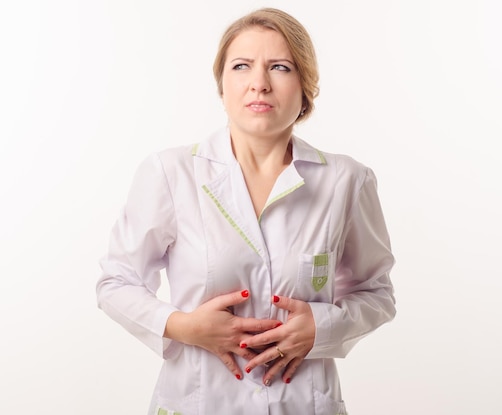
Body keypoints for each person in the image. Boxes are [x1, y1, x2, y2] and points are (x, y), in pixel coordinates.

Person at [96, 7, 396, 415]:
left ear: (306, 87)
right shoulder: (172, 173)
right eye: (241, 66)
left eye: (280, 67)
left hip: (302, 402)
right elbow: (116, 282)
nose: (259, 84)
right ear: (222, 85)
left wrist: (320, 327)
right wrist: (185, 327)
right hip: (199, 401)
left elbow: (376, 292)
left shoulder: (346, 181)